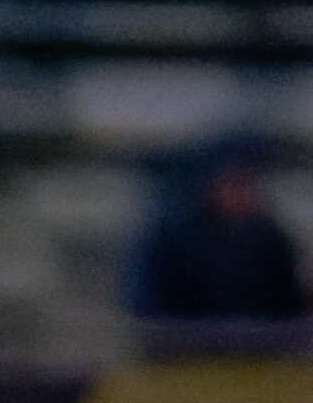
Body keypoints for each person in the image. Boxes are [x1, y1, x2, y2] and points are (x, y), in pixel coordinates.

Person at [126, 138, 308, 330]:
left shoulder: (269, 240)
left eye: (248, 185)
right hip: (188, 349)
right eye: (234, 185)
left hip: (258, 351)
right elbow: (152, 302)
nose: (243, 194)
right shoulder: (175, 238)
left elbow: (286, 304)